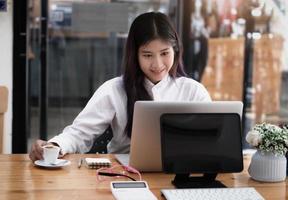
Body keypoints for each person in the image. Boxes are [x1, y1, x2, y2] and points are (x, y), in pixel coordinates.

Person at [29, 12, 211, 162]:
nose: (157, 64)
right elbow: (79, 133)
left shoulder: (193, 91)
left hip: (181, 172)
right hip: (122, 172)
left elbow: (210, 138)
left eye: (164, 53)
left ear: (175, 50)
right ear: (135, 55)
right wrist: (55, 146)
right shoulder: (114, 89)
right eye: (147, 55)